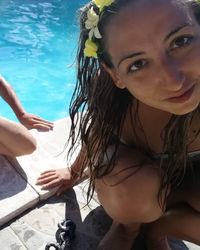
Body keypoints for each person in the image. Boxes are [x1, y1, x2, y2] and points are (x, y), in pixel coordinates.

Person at [37, 0, 200, 249]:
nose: (174, 80)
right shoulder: (118, 105)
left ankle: (161, 228)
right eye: (138, 64)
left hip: (187, 179)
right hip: (138, 184)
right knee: (129, 184)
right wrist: (74, 171)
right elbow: (96, 134)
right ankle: (127, 227)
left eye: (181, 41)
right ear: (115, 75)